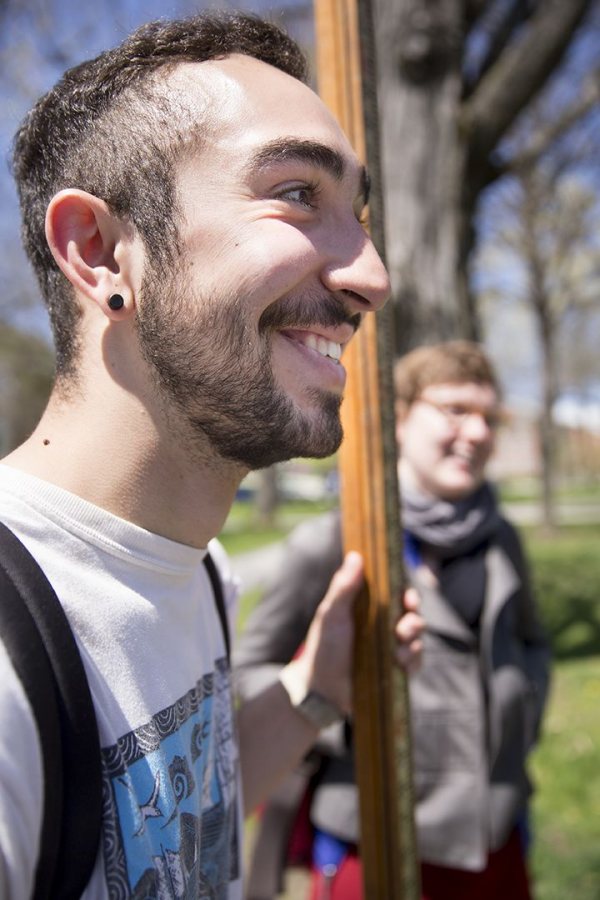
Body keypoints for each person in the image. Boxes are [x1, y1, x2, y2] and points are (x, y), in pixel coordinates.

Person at [0, 12, 425, 899]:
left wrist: (317, 688)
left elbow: (177, 833)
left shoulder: (198, 576)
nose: (372, 276)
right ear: (100, 250)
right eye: (299, 193)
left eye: (362, 214)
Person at [235, 340, 551, 900]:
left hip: (496, 835)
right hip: (373, 838)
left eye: (488, 416)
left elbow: (531, 642)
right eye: (455, 410)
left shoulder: (502, 538)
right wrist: (326, 711)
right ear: (399, 419)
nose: (477, 433)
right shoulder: (331, 542)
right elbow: (250, 670)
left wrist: (520, 713)